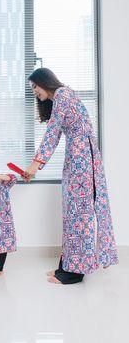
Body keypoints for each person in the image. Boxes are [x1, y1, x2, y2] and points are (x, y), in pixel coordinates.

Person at [22, 67, 119, 285]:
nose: (34, 91)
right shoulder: (61, 98)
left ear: (45, 81)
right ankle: (66, 266)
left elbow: (53, 132)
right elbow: (55, 131)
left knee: (79, 214)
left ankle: (75, 273)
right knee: (72, 213)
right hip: (78, 156)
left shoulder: (63, 94)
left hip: (82, 157)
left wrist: (35, 164)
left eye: (35, 86)